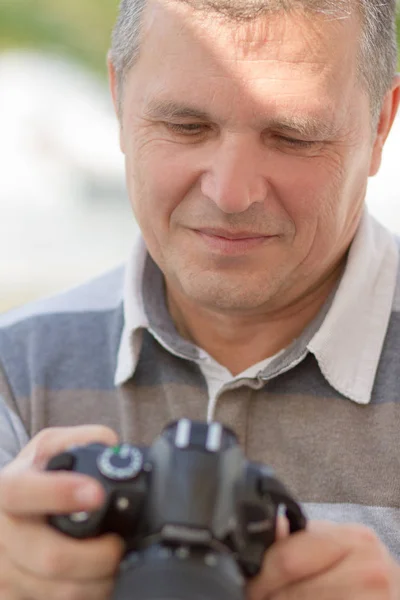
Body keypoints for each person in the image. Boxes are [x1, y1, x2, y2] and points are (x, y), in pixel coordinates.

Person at [1, 0, 400, 597]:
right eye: (185, 127)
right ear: (118, 101)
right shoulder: (15, 370)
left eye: (293, 135)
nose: (231, 191)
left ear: (379, 127)